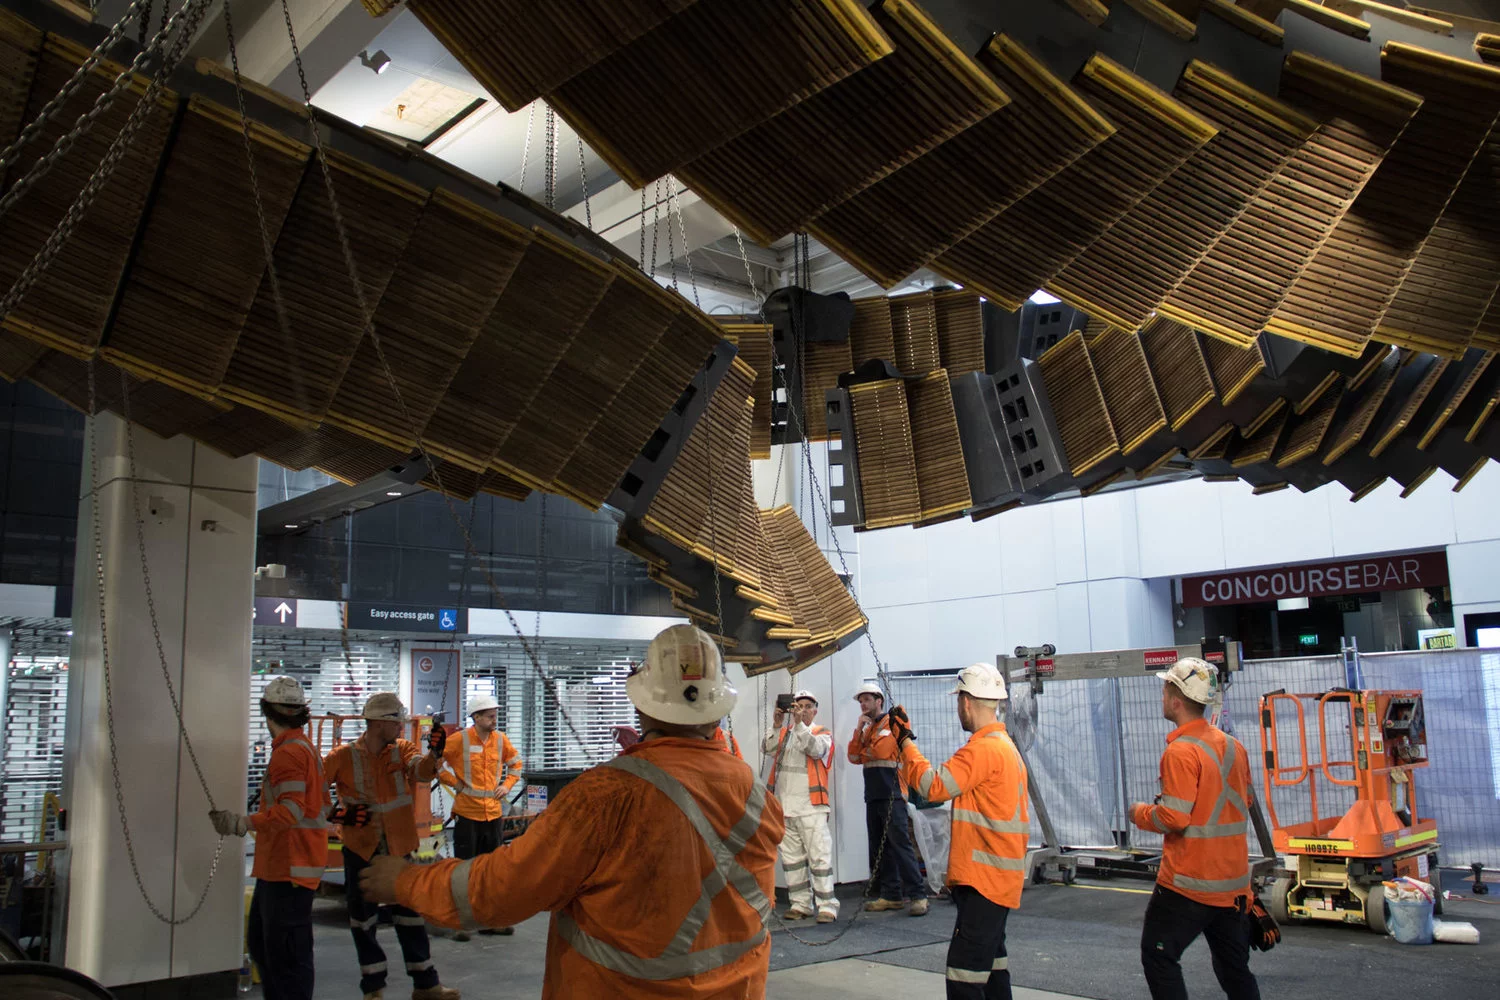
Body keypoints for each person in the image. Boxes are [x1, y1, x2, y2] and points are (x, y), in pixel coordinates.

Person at [356, 624, 785, 999]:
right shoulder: (757, 795)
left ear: (642, 705)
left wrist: (407, 881)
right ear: (717, 709)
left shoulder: (605, 795)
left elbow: (500, 890)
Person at [890, 664, 1029, 999]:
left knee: (963, 978)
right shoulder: (1004, 747)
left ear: (966, 702)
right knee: (992, 970)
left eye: (958, 702)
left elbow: (932, 786)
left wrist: (905, 742)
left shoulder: (984, 749)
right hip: (996, 880)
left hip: (984, 881)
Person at [1130, 658, 1259, 1000]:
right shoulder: (1233, 746)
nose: (1162, 696)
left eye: (1165, 689)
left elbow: (1174, 818)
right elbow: (1244, 800)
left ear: (1176, 698)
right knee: (1234, 969)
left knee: (1159, 956)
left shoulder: (1180, 752)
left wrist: (1140, 813)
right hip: (1233, 887)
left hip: (1188, 885)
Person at [210, 676, 342, 1000]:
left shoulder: (290, 754)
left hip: (290, 869)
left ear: (266, 711)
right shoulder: (304, 748)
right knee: (264, 945)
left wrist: (240, 823)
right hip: (284, 868)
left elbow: (292, 811)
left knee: (284, 957)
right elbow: (322, 805)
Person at [323, 692, 459, 1000]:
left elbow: (421, 771)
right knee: (363, 920)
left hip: (400, 848)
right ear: (378, 724)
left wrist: (435, 753)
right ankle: (373, 989)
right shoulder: (341, 757)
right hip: (361, 850)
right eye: (396, 721)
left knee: (410, 915)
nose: (401, 726)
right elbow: (312, 796)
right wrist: (339, 814)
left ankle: (426, 985)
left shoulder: (403, 750)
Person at [437, 694, 523, 940]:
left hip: (493, 814)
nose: (494, 719)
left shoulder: (500, 740)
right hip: (467, 813)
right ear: (476, 717)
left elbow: (516, 764)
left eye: (495, 715)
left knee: (491, 871)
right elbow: (435, 764)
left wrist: (507, 785)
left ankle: (490, 921)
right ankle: (460, 922)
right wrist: (455, 784)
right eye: (489, 715)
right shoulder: (459, 740)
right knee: (464, 870)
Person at [847, 681, 926, 914]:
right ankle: (891, 895)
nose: (862, 704)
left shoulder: (891, 723)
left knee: (900, 845)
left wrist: (864, 748)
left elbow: (879, 752)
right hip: (873, 794)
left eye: (867, 700)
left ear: (879, 700)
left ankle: (918, 895)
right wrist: (858, 732)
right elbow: (853, 756)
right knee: (880, 848)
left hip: (892, 793)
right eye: (861, 701)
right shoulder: (868, 728)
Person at [762, 689, 838, 923]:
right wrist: (776, 725)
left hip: (811, 808)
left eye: (807, 706)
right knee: (792, 860)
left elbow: (815, 749)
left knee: (819, 857)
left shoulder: (821, 733)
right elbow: (768, 748)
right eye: (798, 706)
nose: (802, 710)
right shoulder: (785, 734)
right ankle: (800, 904)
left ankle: (827, 906)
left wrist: (798, 726)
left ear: (815, 710)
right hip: (786, 807)